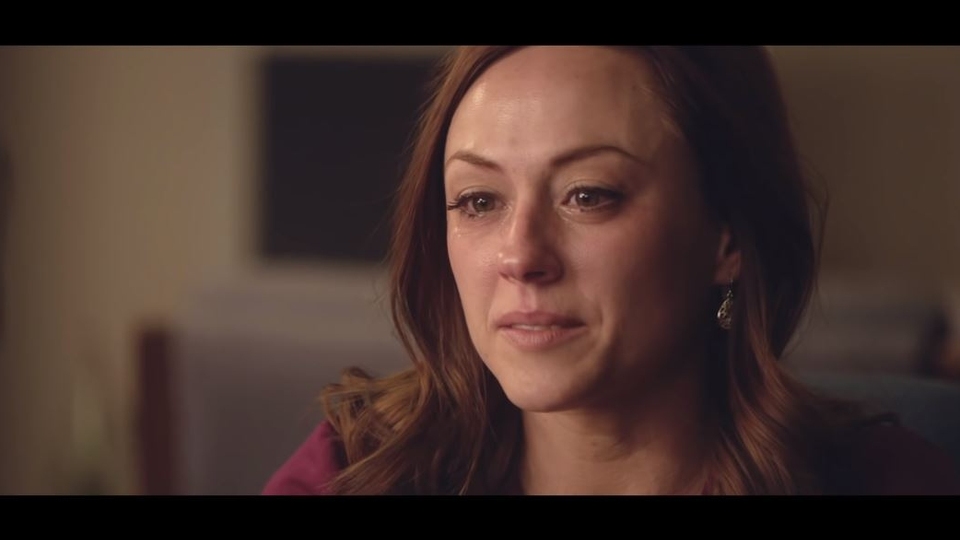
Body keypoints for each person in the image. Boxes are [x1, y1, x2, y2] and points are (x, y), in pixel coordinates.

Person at [263, 46, 960, 495]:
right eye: (479, 200)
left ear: (727, 237)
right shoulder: (356, 473)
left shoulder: (888, 481)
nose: (520, 256)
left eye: (588, 195)